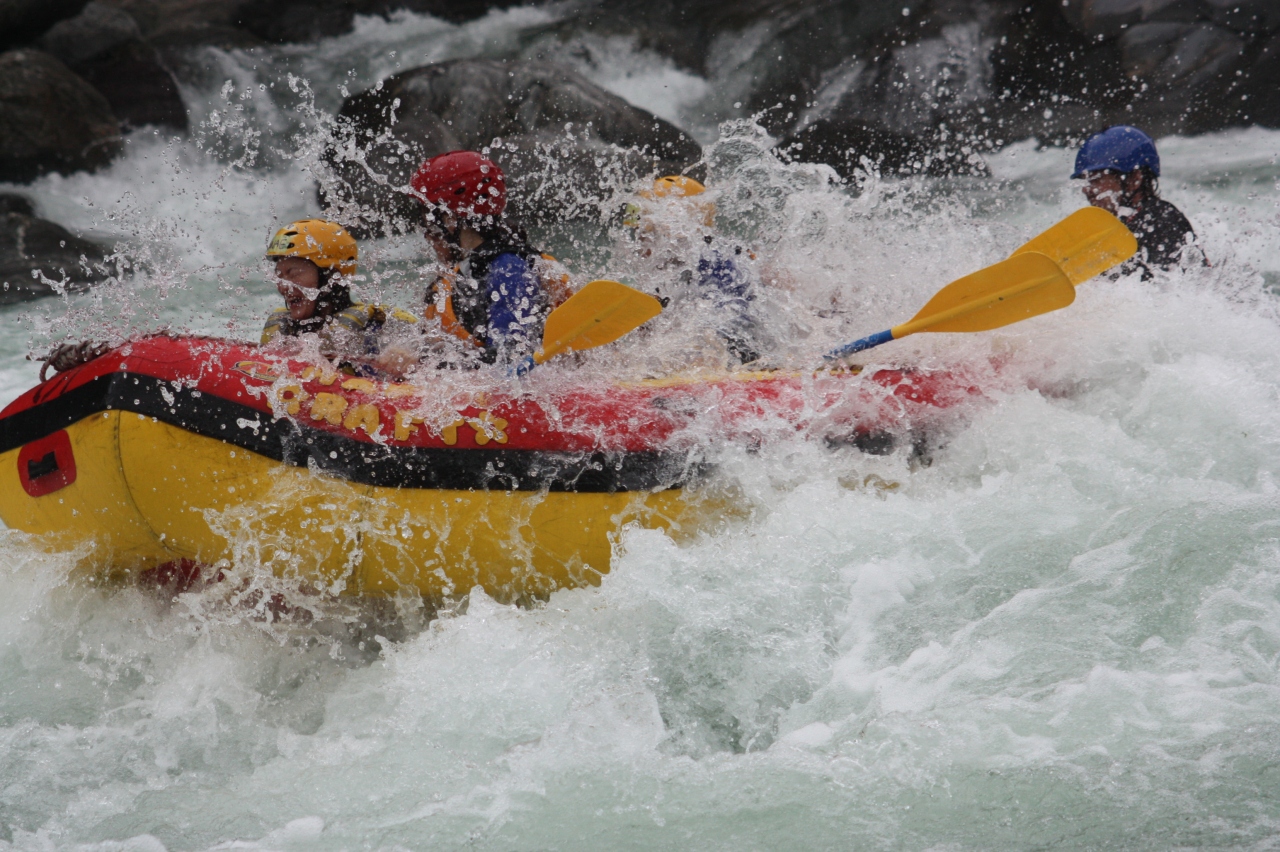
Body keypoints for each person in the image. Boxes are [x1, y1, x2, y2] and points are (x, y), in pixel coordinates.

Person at [409, 151, 561, 366]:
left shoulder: (509, 270)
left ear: (450, 219)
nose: (426, 233)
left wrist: (424, 361)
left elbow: (510, 359)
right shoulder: (468, 270)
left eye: (427, 219)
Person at [623, 175, 764, 364]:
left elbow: (729, 339)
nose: (638, 246)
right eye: (636, 235)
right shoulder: (667, 273)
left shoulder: (718, 265)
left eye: (645, 235)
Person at [262, 218, 419, 377]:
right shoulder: (281, 332)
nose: (282, 286)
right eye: (279, 276)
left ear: (332, 276)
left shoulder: (378, 325)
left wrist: (408, 355)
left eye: (294, 274)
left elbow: (435, 346)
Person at [1073, 126, 1205, 275]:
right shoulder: (1108, 227)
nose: (1086, 189)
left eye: (1096, 179)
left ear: (1135, 179)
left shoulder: (1163, 222)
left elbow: (1165, 291)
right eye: (1085, 180)